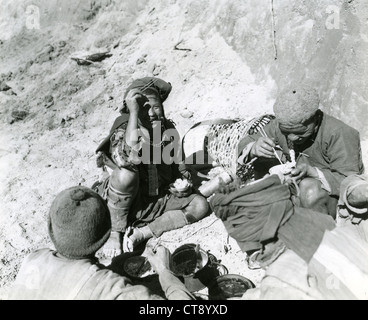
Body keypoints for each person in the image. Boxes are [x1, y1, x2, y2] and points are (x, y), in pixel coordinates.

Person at [8, 186, 195, 300]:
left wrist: (112, 267)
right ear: (107, 234)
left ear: (51, 229)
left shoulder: (33, 259)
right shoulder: (111, 290)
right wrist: (165, 271)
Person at [95, 77, 209, 258]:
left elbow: (178, 167)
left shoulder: (167, 130)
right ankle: (116, 232)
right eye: (145, 108)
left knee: (200, 205)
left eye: (156, 107)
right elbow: (126, 158)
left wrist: (182, 183)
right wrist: (134, 114)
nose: (152, 113)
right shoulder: (124, 129)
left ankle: (143, 233)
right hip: (127, 202)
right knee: (126, 174)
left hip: (157, 199)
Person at [237, 84, 364, 217]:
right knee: (262, 161)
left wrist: (314, 173)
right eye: (286, 132)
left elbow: (350, 182)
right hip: (295, 192)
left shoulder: (339, 133)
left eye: (300, 132)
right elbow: (245, 143)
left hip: (326, 199)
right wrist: (253, 147)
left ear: (315, 119)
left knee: (309, 189)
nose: (292, 137)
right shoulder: (280, 125)